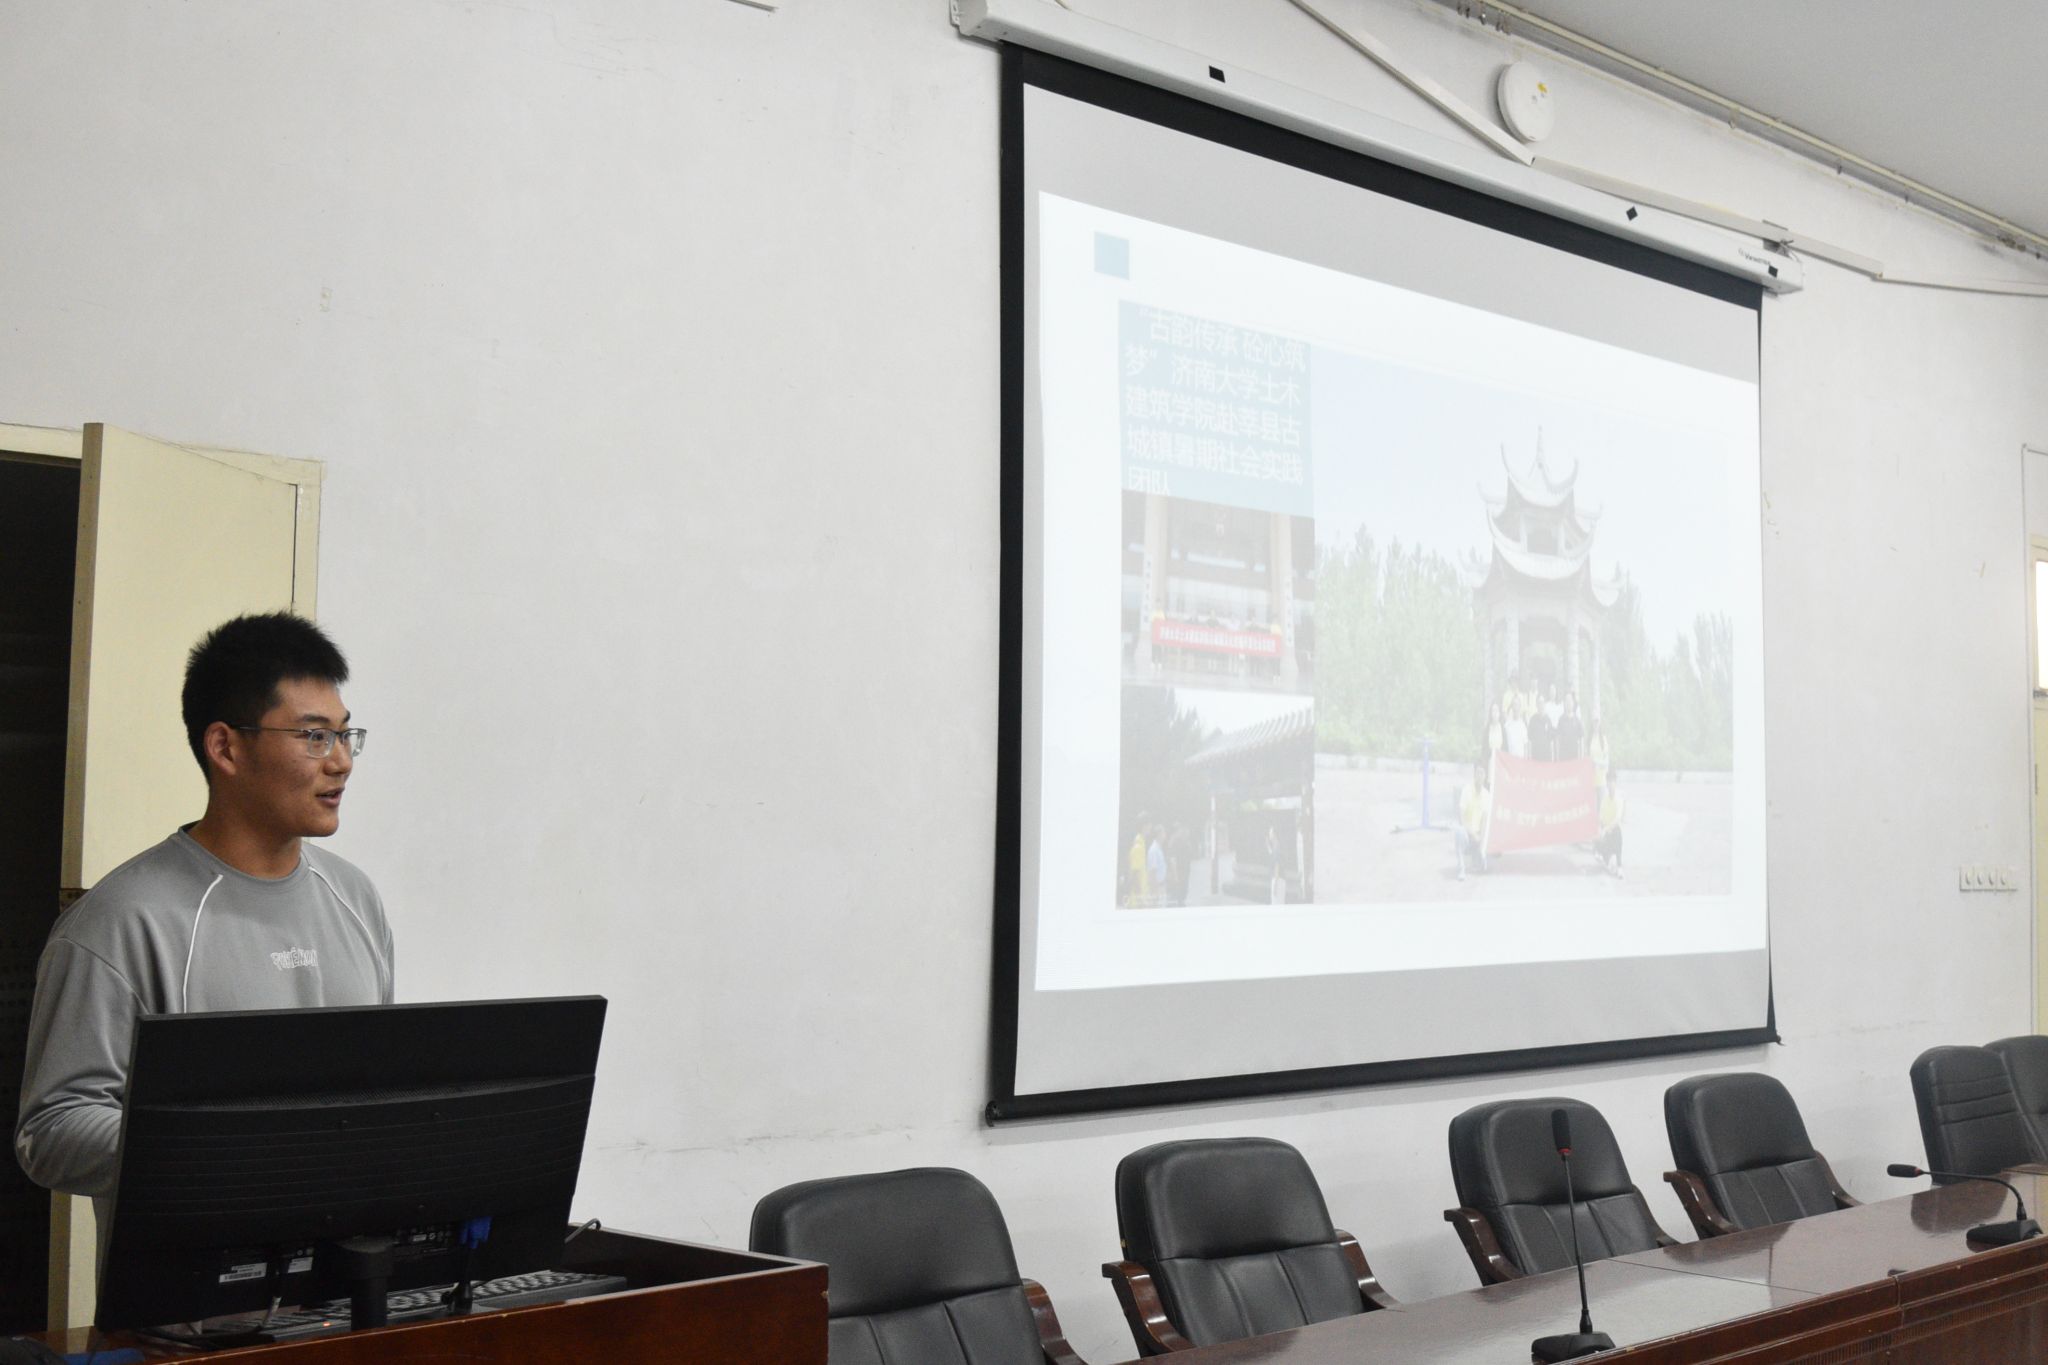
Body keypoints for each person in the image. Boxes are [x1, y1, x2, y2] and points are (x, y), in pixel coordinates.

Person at [14, 613, 393, 1207]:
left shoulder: (356, 898)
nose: (341, 761)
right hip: (195, 1266)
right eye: (314, 736)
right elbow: (53, 1131)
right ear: (225, 747)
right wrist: (233, 1148)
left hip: (344, 1264)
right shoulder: (122, 920)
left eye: (346, 735)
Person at [1454, 762, 1490, 880]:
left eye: (1482, 773)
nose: (1480, 776)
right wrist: (1472, 833)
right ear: (1474, 775)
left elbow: (1485, 819)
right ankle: (1461, 869)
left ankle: (1478, 857)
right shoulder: (1466, 790)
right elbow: (1461, 816)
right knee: (1458, 832)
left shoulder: (1486, 795)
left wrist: (1481, 839)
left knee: (1482, 864)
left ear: (1485, 776)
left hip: (1478, 834)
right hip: (1467, 832)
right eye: (1478, 773)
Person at [1598, 774, 1625, 878]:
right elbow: (1601, 816)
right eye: (1608, 782)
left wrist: (1607, 828)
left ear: (1615, 783)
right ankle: (1605, 857)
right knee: (1599, 842)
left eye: (1612, 782)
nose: (1610, 785)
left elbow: (1618, 818)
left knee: (1617, 834)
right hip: (1606, 830)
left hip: (1613, 829)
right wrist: (1603, 828)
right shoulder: (1604, 799)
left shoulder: (1619, 799)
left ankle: (1619, 866)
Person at [1556, 691, 1584, 761]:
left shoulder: (1578, 720)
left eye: (1570, 700)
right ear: (1564, 703)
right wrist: (1557, 757)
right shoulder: (1561, 720)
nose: (1568, 703)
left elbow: (1581, 740)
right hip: (1563, 758)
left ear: (1573, 703)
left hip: (1575, 758)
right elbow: (1557, 739)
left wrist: (1581, 758)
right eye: (1566, 700)